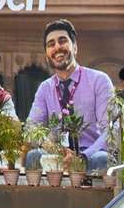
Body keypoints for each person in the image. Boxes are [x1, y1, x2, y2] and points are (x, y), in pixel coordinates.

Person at [26, 19, 113, 173]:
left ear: (75, 47)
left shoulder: (99, 80)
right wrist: (55, 150)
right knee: (34, 156)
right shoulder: (45, 88)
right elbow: (32, 128)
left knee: (101, 159)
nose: (57, 47)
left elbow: (111, 130)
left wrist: (83, 157)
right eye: (51, 44)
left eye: (62, 41)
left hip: (90, 155)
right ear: (47, 54)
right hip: (56, 155)